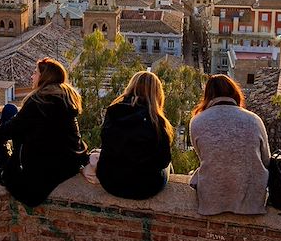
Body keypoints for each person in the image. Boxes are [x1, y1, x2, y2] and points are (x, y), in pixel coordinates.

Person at [0, 58, 88, 207]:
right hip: (69, 165)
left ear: (44, 77)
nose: (32, 77)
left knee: (9, 112)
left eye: (35, 73)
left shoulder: (39, 102)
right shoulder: (67, 100)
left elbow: (8, 130)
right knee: (12, 113)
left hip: (41, 171)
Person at [188, 74, 271, 215]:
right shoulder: (254, 120)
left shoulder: (197, 121)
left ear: (207, 96)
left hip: (212, 199)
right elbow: (266, 160)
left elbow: (203, 156)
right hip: (251, 200)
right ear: (234, 93)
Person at [96, 71, 174, 199]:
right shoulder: (156, 120)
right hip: (145, 187)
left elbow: (106, 143)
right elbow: (163, 160)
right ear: (157, 93)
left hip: (110, 182)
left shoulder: (113, 110)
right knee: (169, 166)